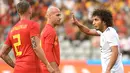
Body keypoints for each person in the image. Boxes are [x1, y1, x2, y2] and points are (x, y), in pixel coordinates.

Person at [0, 1, 54, 73]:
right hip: (32, 68)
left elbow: (2, 53)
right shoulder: (33, 25)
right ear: (30, 10)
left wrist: (16, 66)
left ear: (18, 13)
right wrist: (48, 65)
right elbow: (36, 47)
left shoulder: (12, 30)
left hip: (18, 69)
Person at [72, 9, 124, 73]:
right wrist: (77, 24)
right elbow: (88, 31)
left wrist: (108, 69)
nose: (93, 23)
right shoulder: (103, 32)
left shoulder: (110, 33)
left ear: (104, 21)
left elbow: (115, 52)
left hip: (114, 71)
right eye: (93, 20)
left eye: (96, 20)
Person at [40, 6, 62, 73]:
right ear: (49, 16)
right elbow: (48, 52)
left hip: (44, 67)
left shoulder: (46, 29)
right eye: (57, 15)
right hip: (48, 69)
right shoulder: (50, 31)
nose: (60, 18)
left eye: (60, 15)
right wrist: (56, 69)